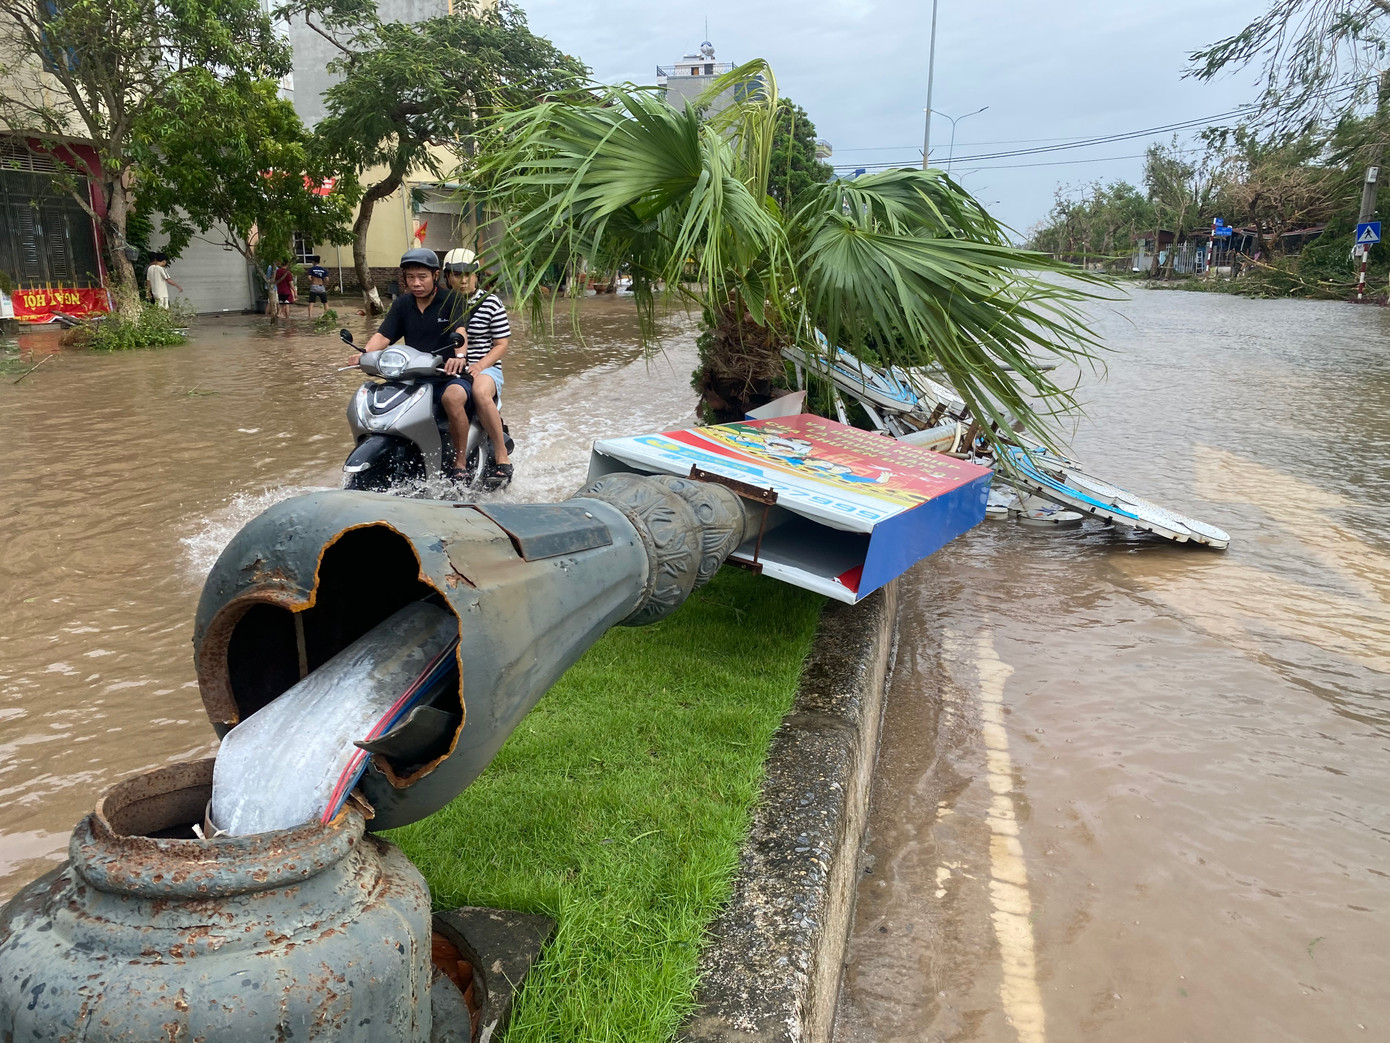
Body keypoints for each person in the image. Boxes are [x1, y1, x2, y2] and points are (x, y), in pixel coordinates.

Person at [348, 248, 483, 484]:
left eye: (422, 277)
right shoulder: (402, 304)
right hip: (412, 377)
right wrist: (363, 355)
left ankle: (459, 462)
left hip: (447, 375)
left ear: (436, 276)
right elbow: (383, 336)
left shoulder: (451, 300)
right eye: (410, 277)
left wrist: (460, 356)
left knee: (452, 398)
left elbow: (460, 330)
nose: (416, 283)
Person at [440, 247, 512, 488]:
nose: (463, 280)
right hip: (451, 369)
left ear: (477, 275)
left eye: (469, 274)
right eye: (457, 274)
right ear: (447, 276)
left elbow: (501, 344)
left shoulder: (490, 302)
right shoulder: (443, 303)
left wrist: (480, 365)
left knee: (481, 393)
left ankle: (501, 454)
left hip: (486, 368)